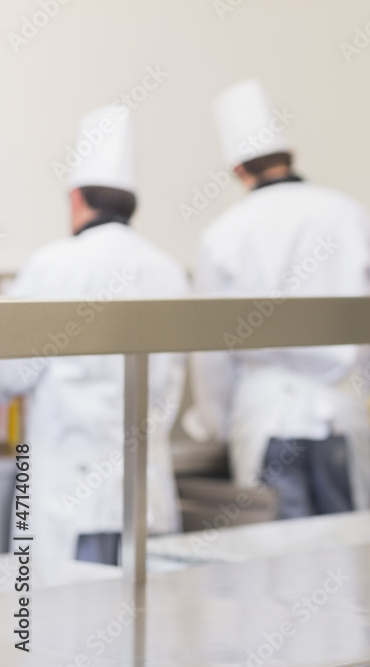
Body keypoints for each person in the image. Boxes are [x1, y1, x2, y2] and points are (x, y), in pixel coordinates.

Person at [0, 105, 188, 569]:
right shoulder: (166, 270)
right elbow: (176, 378)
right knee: (142, 625)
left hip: (69, 485)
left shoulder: (54, 264)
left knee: (64, 626)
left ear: (78, 199)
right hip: (143, 485)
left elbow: (13, 369)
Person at [191, 79, 370, 519]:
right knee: (344, 562)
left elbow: (211, 349)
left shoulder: (224, 233)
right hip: (340, 413)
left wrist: (216, 420)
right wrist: (360, 393)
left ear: (238, 170)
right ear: (287, 157)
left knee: (274, 570)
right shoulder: (349, 213)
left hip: (267, 416)